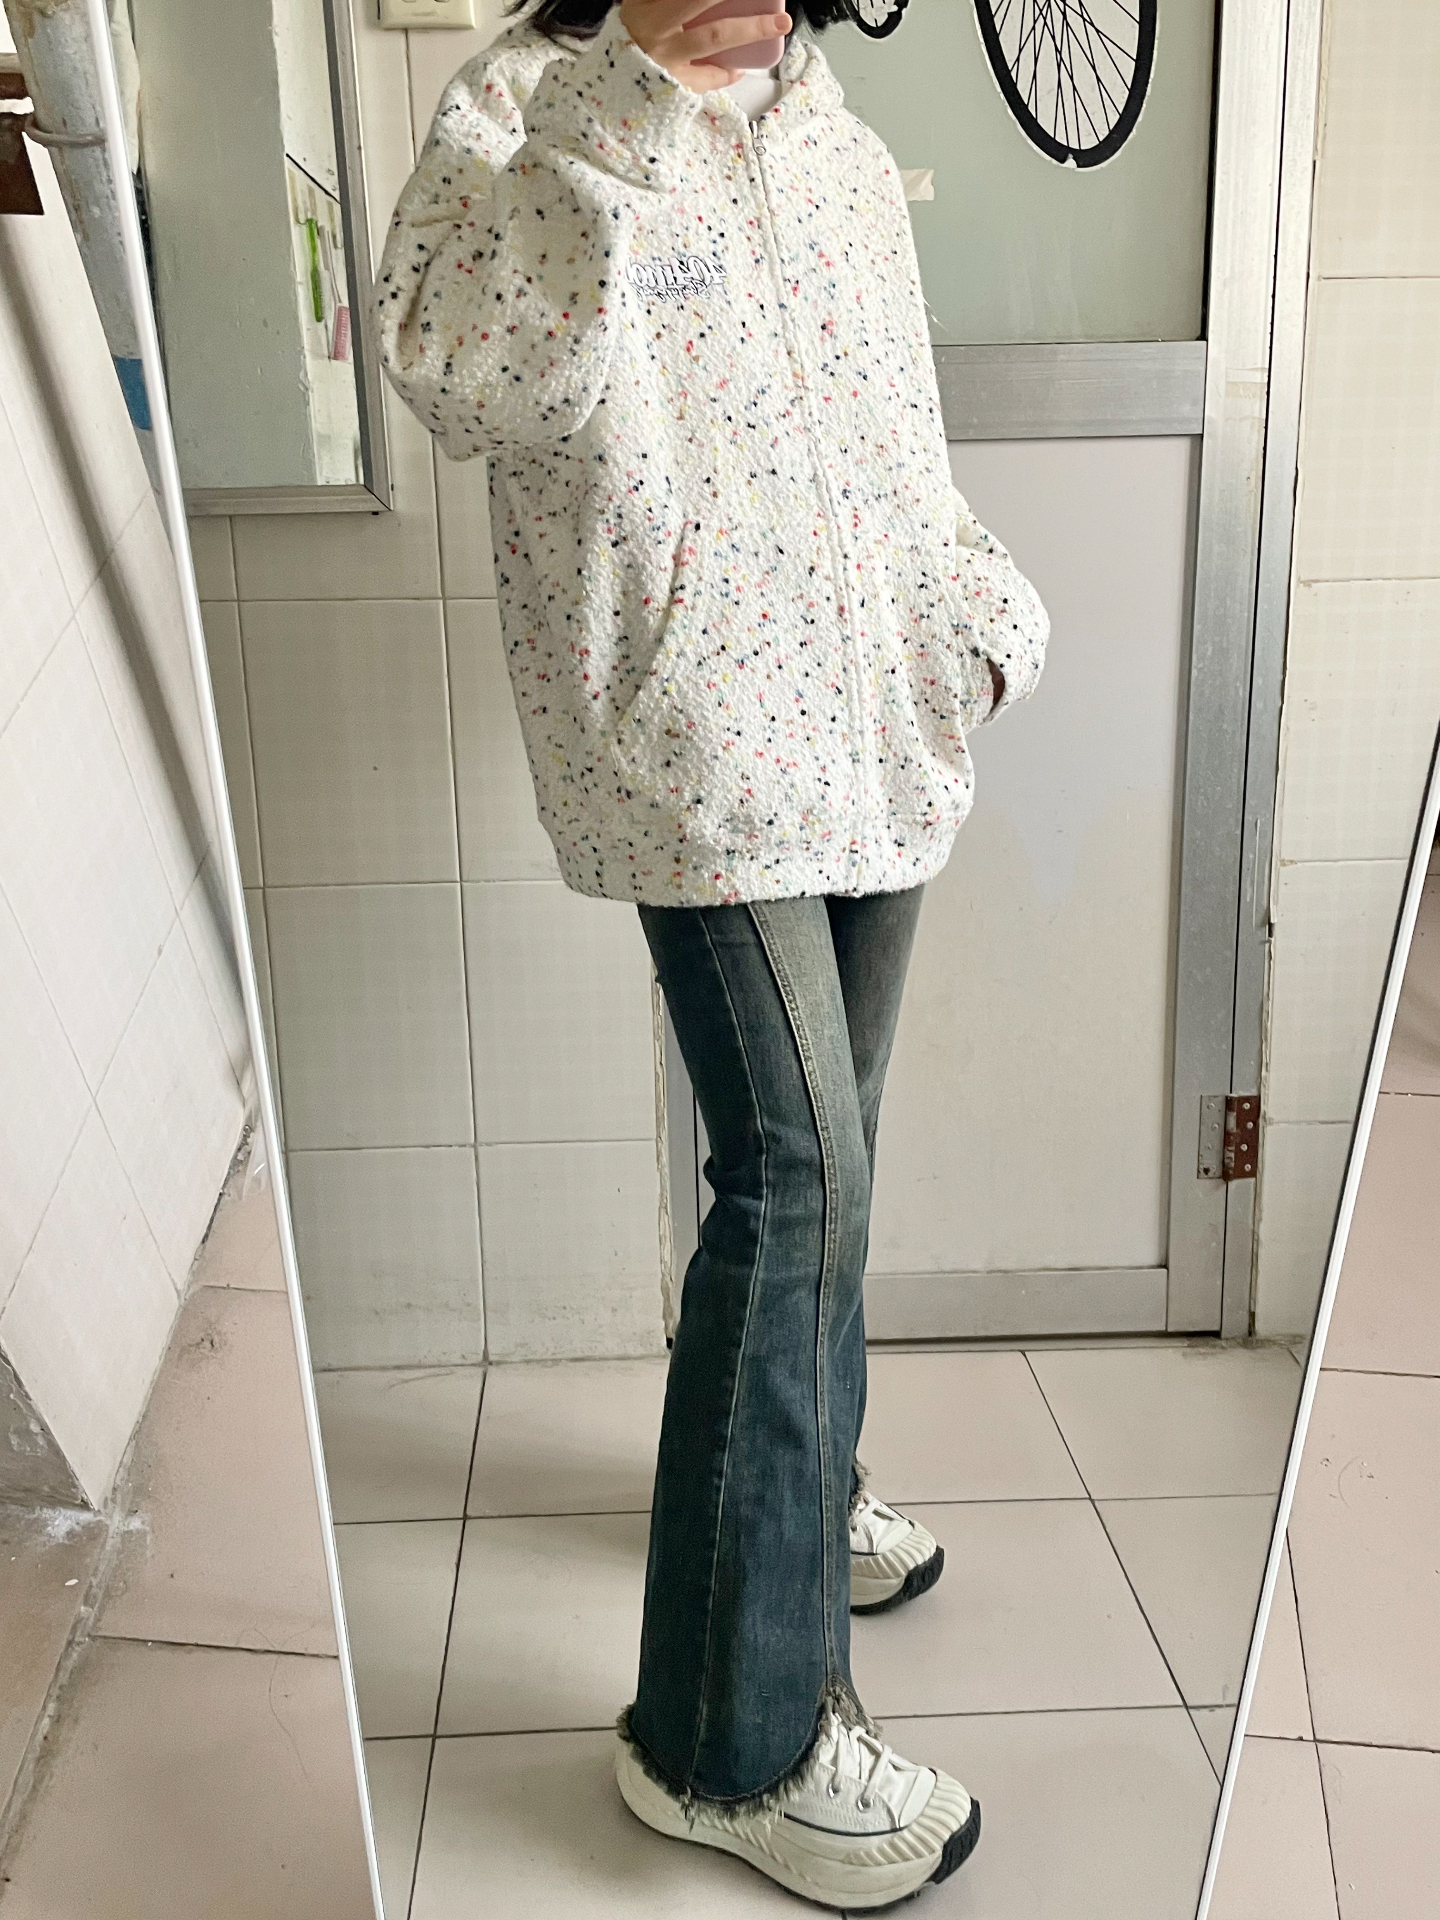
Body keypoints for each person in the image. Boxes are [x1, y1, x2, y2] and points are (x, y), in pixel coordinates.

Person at [376, 1, 1047, 1905]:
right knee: (795, 1180)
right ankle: (722, 1742)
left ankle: (796, 1503)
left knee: (834, 1170)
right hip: (698, 756)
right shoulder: (528, 111)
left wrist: (974, 617)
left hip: (877, 737)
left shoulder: (832, 139)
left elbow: (895, 439)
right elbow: (467, 375)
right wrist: (633, 102)